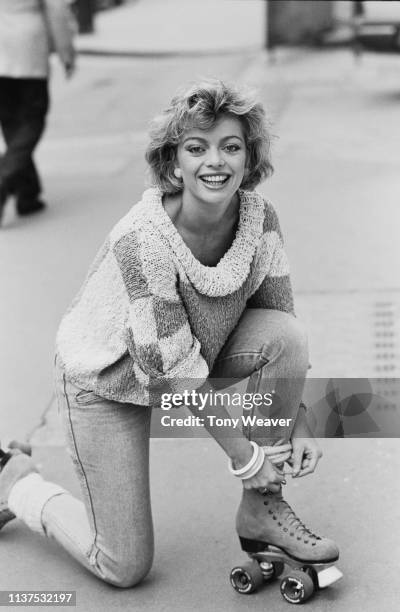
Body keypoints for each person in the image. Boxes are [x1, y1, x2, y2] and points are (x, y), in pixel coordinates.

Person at [0, 80, 339, 588]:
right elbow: (178, 374)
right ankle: (15, 483)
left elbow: (279, 326)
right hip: (106, 380)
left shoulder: (259, 218)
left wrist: (298, 421)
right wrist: (246, 459)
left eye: (231, 146)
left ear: (250, 158)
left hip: (193, 357)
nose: (215, 162)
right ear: (173, 162)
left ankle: (263, 512)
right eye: (196, 148)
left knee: (286, 334)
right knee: (124, 565)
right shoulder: (144, 238)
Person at [0, 0, 76, 226]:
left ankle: (27, 193)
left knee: (12, 123)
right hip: (27, 50)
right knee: (33, 120)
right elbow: (57, 10)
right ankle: (5, 176)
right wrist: (66, 52)